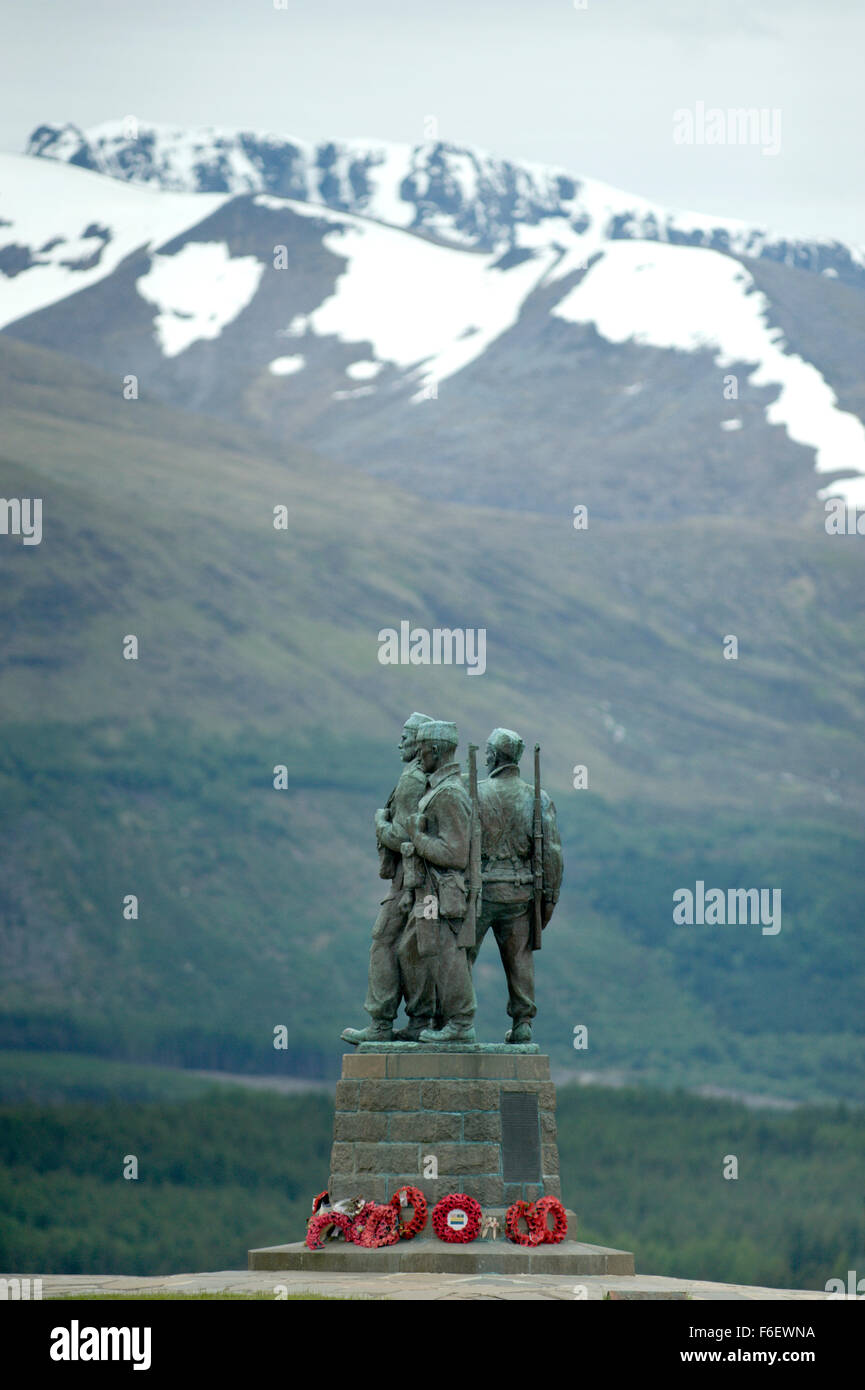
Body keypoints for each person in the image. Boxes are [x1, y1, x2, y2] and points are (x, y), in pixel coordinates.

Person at [340, 712, 432, 1045]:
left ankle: (381, 1023)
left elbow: (405, 835)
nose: (399, 742)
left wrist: (380, 823)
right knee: (415, 949)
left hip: (408, 882)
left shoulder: (412, 778)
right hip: (424, 881)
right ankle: (421, 1022)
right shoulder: (431, 776)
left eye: (405, 737)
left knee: (383, 942)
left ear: (419, 742)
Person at [469, 727, 562, 1043]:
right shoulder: (538, 797)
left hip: (481, 892)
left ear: (494, 756)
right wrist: (550, 897)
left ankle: (457, 1019)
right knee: (520, 958)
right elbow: (551, 852)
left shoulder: (475, 792)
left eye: (487, 753)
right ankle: (523, 1023)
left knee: (463, 954)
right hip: (520, 893)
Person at [397, 720, 476, 1043]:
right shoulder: (438, 789)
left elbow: (456, 853)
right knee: (410, 949)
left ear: (436, 750)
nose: (419, 753)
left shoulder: (449, 794)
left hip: (442, 893)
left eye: (424, 748)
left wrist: (417, 836)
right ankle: (421, 1019)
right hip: (428, 892)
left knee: (446, 953)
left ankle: (461, 1022)